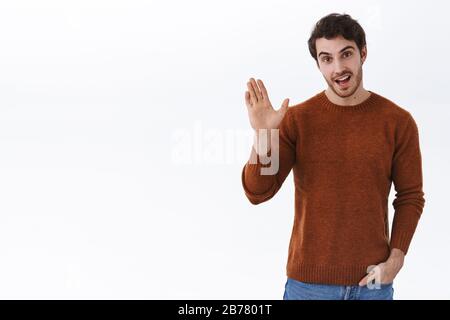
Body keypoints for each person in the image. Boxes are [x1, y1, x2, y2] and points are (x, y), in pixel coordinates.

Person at [241, 13, 425, 300]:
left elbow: (410, 196)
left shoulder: (398, 122)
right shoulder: (297, 120)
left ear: (363, 53)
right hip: (308, 286)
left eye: (346, 54)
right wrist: (263, 135)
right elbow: (257, 192)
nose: (338, 68)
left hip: (373, 284)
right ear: (318, 64)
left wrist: (395, 261)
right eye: (326, 58)